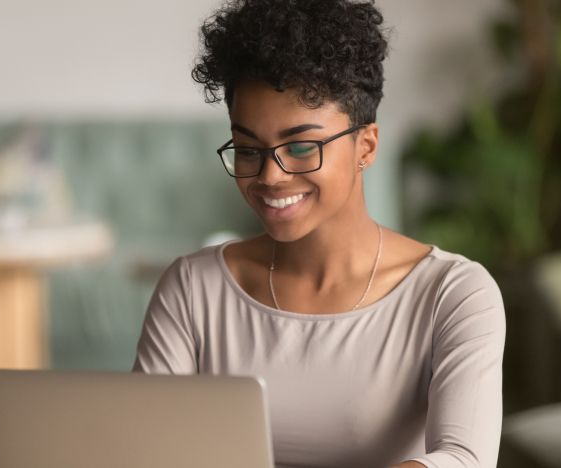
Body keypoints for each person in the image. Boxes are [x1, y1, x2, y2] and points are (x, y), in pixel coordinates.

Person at [132, 1, 506, 467]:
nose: (270, 176)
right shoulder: (193, 289)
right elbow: (146, 449)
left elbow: (464, 458)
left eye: (301, 146)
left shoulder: (453, 294)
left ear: (365, 145)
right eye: (248, 149)